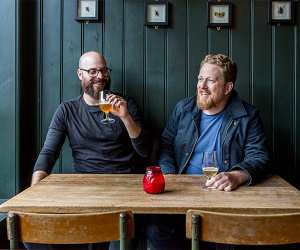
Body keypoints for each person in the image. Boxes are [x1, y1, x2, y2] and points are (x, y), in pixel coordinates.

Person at [28, 51, 151, 250]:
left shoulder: (125, 105)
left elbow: (144, 151)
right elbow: (48, 153)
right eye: (92, 71)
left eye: (103, 71)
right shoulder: (67, 110)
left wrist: (126, 118)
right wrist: (34, 193)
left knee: (121, 234)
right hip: (84, 189)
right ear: (80, 74)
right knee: (31, 232)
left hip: (124, 188)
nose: (100, 76)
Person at [146, 54, 270, 250]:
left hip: (225, 198)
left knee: (227, 240)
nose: (201, 86)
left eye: (210, 80)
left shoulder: (248, 115)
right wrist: (169, 174)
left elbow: (259, 156)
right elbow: (166, 145)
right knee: (156, 230)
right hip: (182, 194)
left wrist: (236, 176)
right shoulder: (183, 109)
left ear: (228, 87)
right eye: (200, 79)